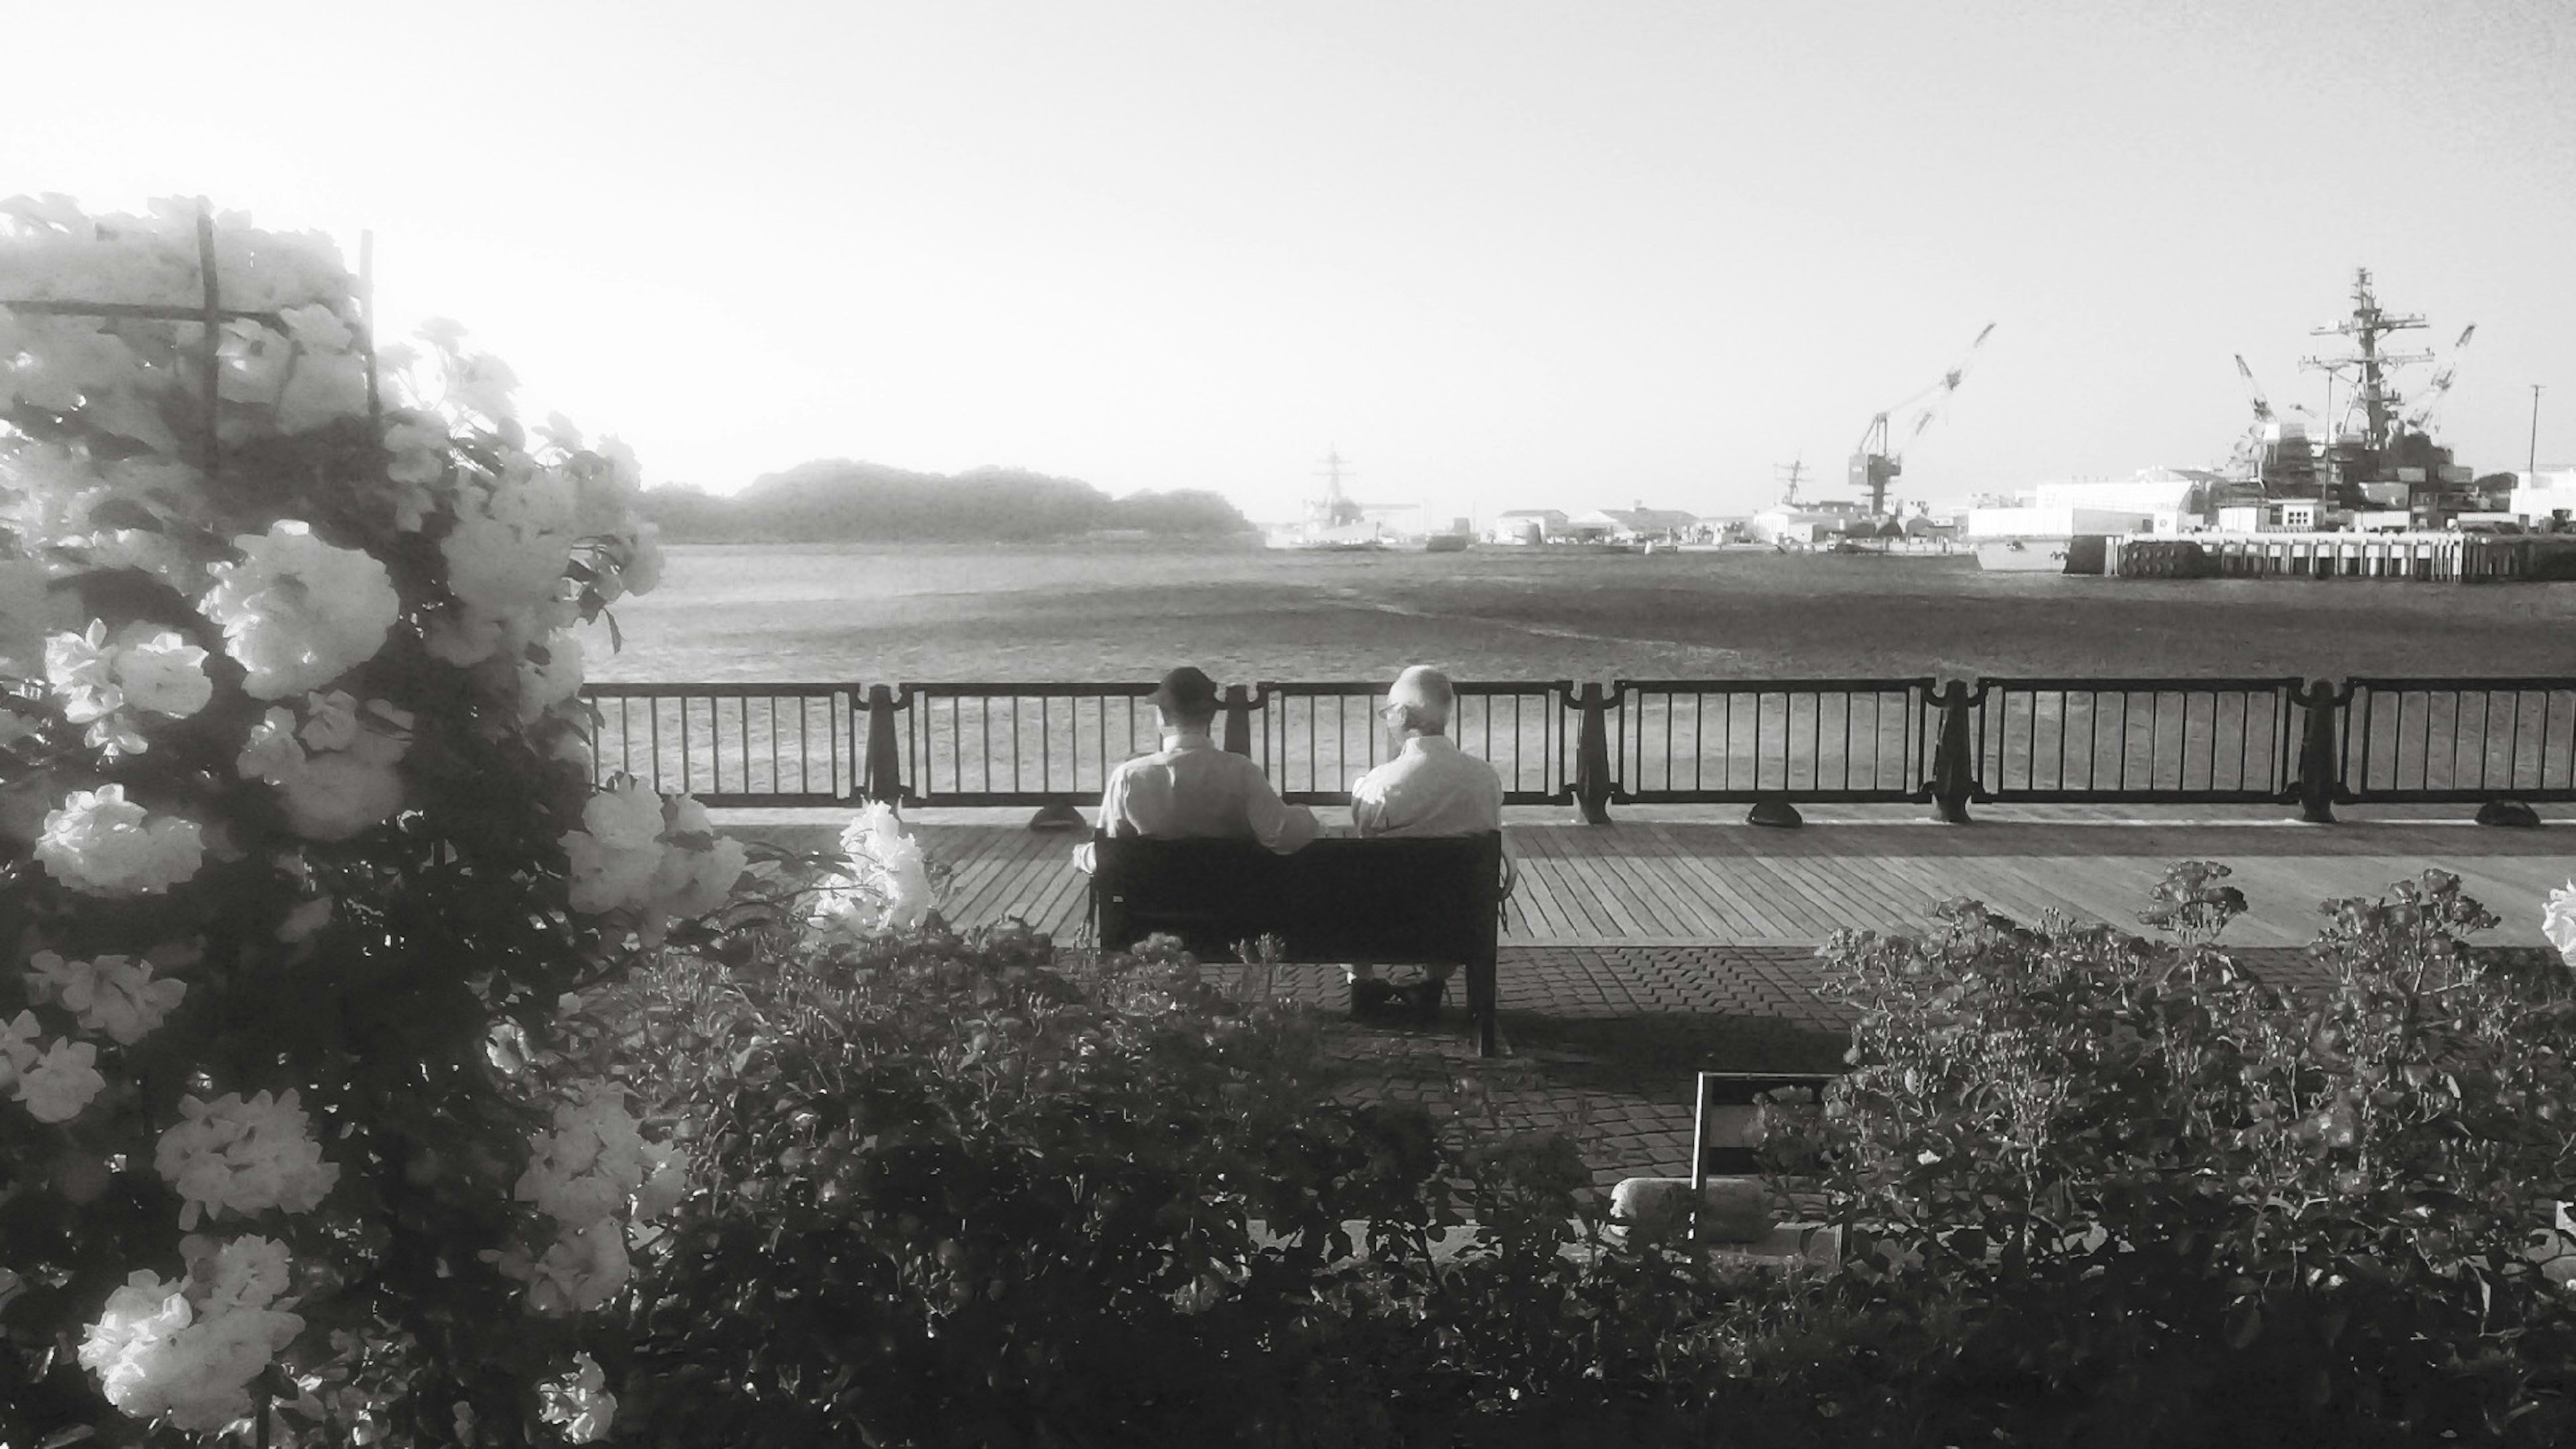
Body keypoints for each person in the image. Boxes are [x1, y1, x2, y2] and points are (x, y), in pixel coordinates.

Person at [1343, 665, 1508, 1004]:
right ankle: (1433, 982)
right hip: (1461, 924)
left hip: (1385, 926)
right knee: (1448, 887)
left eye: (1388, 711)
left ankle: (1362, 981)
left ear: (1402, 715)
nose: (1387, 719)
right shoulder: (1485, 779)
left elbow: (1367, 843)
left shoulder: (1380, 785)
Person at [1083, 665, 1318, 857]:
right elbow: (1281, 835)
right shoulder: (1242, 772)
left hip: (1149, 909)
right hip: (1226, 909)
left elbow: (1108, 850)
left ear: (1163, 716)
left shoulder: (1129, 777)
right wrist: (1304, 815)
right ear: (1213, 714)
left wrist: (1080, 855)